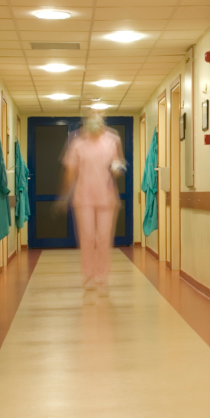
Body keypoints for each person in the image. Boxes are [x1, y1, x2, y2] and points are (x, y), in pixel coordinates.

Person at [62, 111, 126, 304]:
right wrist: (64, 195)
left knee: (103, 239)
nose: (94, 122)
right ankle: (89, 277)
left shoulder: (112, 140)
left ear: (103, 121)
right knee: (88, 238)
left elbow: (119, 165)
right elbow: (70, 171)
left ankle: (102, 279)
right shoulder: (77, 143)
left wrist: (117, 169)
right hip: (84, 199)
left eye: (98, 119)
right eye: (90, 119)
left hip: (106, 198)